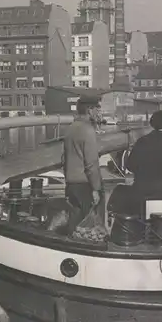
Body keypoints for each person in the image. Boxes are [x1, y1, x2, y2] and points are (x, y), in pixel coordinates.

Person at [62, 95, 103, 233]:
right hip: (84, 186)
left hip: (71, 185)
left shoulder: (70, 128)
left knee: (73, 224)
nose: (99, 112)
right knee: (86, 229)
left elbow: (64, 158)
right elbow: (91, 163)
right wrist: (96, 189)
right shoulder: (88, 130)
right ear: (90, 110)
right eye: (97, 108)